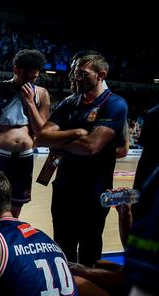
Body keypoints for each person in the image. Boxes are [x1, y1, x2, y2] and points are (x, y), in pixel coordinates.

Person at [34, 53, 127, 266]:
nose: (76, 77)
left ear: (101, 75)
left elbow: (91, 146)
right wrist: (75, 133)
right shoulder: (69, 102)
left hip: (95, 192)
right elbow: (40, 138)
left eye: (82, 74)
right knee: (62, 247)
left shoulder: (114, 104)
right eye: (75, 73)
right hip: (64, 188)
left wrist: (58, 140)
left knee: (90, 250)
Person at [60, 167, 159, 296]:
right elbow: (131, 251)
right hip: (135, 289)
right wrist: (125, 214)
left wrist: (80, 270)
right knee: (100, 264)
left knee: (76, 282)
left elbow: (124, 279)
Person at [0, 49, 50, 217]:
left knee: (15, 210)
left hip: (24, 158)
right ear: (15, 70)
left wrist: (30, 103)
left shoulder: (41, 94)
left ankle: (7, 241)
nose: (29, 82)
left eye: (34, 78)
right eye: (25, 76)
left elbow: (41, 133)